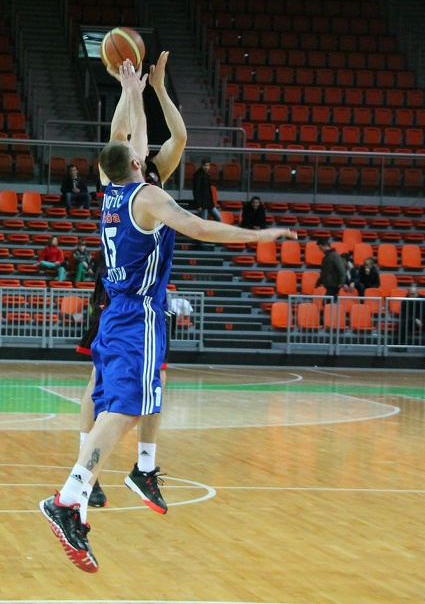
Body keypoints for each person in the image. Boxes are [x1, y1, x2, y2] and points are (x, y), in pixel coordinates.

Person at [40, 58, 298, 573]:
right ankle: (70, 497)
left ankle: (82, 493)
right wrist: (257, 236)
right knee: (125, 410)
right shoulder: (149, 197)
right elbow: (199, 228)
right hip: (138, 314)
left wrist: (133, 91)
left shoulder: (111, 189)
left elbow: (122, 135)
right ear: (138, 162)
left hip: (116, 311)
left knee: (118, 404)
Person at [74, 49, 188, 511]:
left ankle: (143, 466)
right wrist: (128, 91)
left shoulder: (155, 174)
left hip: (146, 292)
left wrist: (156, 90)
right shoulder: (117, 168)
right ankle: (87, 468)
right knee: (99, 376)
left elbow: (178, 136)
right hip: (118, 289)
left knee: (155, 375)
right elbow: (118, 133)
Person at [398, 283, 425, 352]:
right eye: (410, 294)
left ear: (417, 293)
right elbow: (404, 315)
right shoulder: (405, 301)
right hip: (411, 322)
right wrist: (415, 319)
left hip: (424, 321)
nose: (412, 296)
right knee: (402, 324)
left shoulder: (423, 298)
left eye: (413, 294)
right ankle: (402, 345)